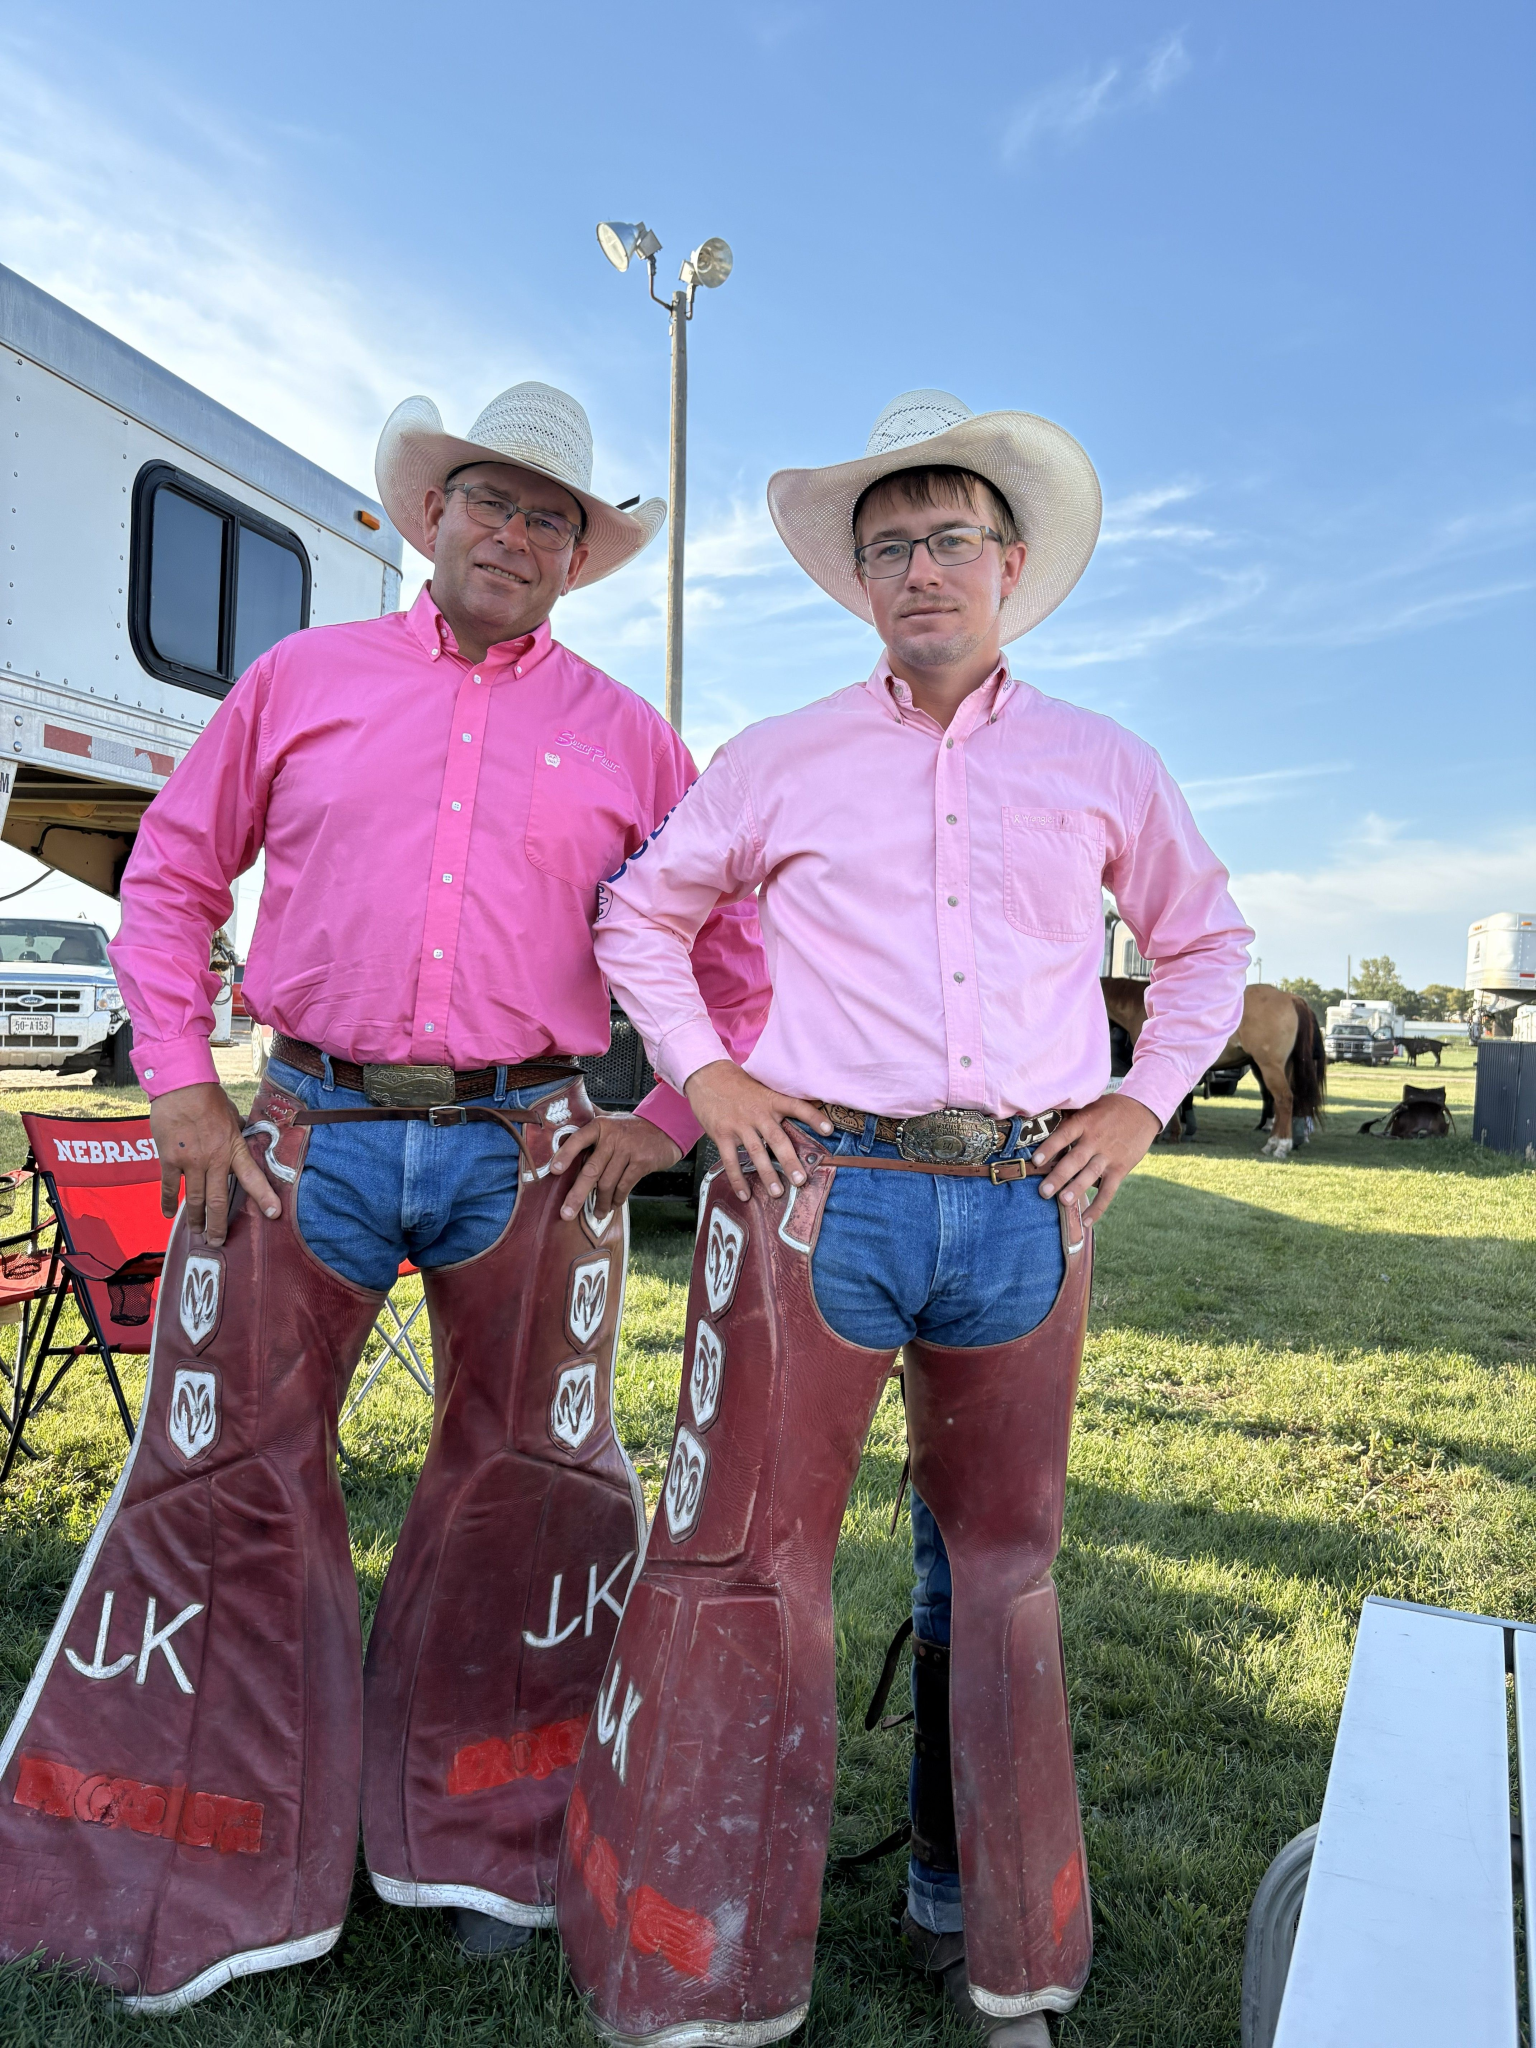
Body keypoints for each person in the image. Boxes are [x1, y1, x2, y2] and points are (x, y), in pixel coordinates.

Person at [0, 381, 766, 2012]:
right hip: (301, 1126)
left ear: (578, 556)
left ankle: (481, 1836)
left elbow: (734, 954)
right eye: (490, 500)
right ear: (431, 518)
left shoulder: (634, 735)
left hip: (532, 1140)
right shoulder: (299, 677)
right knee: (236, 1477)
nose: (516, 533)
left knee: (529, 1483)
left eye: (550, 516)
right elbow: (173, 876)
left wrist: (665, 1116)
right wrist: (183, 1087)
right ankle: (220, 1841)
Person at [555, 390, 1251, 2045]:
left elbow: (1205, 943)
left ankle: (997, 1938)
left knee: (998, 1575)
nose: (921, 569)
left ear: (1009, 565)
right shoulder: (781, 755)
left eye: (949, 541)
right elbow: (643, 914)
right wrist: (707, 1077)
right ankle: (714, 1948)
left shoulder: (1103, 761)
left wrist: (1141, 1103)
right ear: (859, 583)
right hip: (821, 1188)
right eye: (890, 550)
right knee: (752, 1561)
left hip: (1025, 1193)